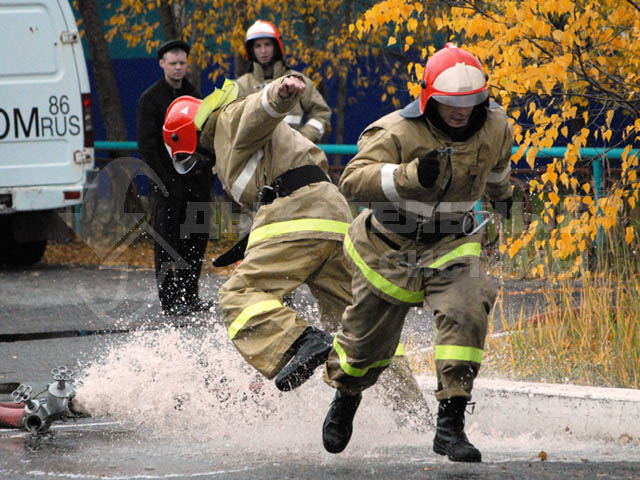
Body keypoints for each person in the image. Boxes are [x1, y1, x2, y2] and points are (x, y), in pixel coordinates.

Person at [162, 77, 432, 431]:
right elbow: (273, 183)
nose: (198, 163)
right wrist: (251, 243)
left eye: (189, 156)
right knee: (361, 324)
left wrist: (280, 92)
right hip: (332, 216)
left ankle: (302, 341)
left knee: (237, 295)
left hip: (297, 216)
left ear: (188, 137)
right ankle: (418, 419)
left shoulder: (225, 120)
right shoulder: (236, 143)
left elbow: (259, 111)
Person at [321, 43, 514, 462]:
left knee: (467, 310)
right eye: (450, 104)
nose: (461, 112)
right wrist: (408, 175)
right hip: (388, 249)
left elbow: (498, 168)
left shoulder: (496, 125)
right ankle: (346, 397)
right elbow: (351, 181)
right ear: (430, 99)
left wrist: (504, 199)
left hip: (452, 244)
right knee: (363, 347)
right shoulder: (395, 131)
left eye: (471, 102)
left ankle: (451, 424)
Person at [137, 39, 215, 316]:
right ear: (162, 64)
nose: (178, 68)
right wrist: (168, 181)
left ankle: (190, 297)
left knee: (195, 242)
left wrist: (204, 173)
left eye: (182, 63)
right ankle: (171, 302)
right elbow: (148, 146)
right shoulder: (151, 99)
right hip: (168, 187)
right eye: (173, 63)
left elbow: (205, 138)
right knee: (168, 244)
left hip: (196, 185)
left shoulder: (195, 97)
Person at [236, 20, 331, 144]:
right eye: (258, 46)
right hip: (254, 157)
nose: (263, 51)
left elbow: (321, 113)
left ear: (276, 47)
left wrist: (302, 140)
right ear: (251, 50)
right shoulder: (241, 85)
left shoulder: (297, 81)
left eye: (267, 44)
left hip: (291, 156)